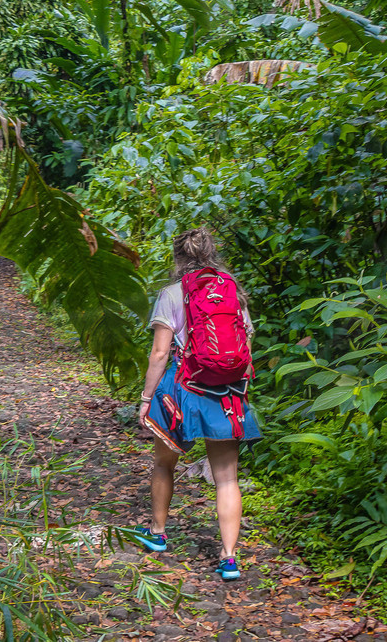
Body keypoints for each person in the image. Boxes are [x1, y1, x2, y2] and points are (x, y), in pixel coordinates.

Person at [132, 228, 262, 580]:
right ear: (213, 253)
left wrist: (146, 399)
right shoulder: (232, 291)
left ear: (178, 258)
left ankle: (158, 534)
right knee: (226, 478)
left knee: (164, 463)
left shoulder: (172, 294)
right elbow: (246, 344)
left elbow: (160, 353)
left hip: (183, 388)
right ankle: (229, 557)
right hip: (227, 393)